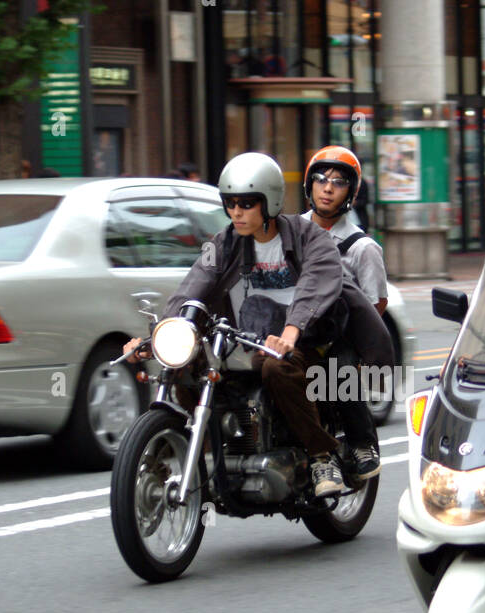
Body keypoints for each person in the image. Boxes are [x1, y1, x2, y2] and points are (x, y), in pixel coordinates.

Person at [123, 152, 391, 497]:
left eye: (247, 203)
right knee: (187, 366)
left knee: (275, 366)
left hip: (310, 343)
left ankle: (321, 455)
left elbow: (316, 284)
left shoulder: (310, 236)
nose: (237, 211)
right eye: (230, 203)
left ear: (270, 202)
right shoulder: (223, 244)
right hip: (246, 342)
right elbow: (193, 287)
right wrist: (155, 338)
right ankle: (206, 444)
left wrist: (291, 331)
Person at [302, 144, 386, 479]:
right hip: (292, 328)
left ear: (351, 191)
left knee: (339, 371)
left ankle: (362, 442)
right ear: (309, 184)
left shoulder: (362, 248)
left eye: (338, 182)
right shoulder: (292, 230)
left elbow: (375, 304)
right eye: (321, 178)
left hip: (337, 335)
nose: (327, 187)